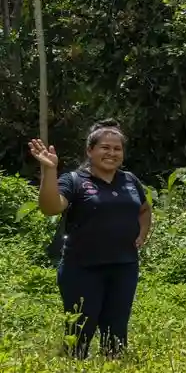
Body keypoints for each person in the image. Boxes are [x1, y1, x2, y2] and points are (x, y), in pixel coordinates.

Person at [29, 122, 152, 359]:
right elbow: (51, 208)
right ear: (90, 151)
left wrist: (142, 233)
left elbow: (144, 209)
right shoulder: (74, 180)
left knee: (116, 331)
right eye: (105, 147)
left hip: (124, 266)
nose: (112, 153)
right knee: (80, 331)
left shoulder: (129, 180)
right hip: (82, 268)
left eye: (117, 149)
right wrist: (49, 171)